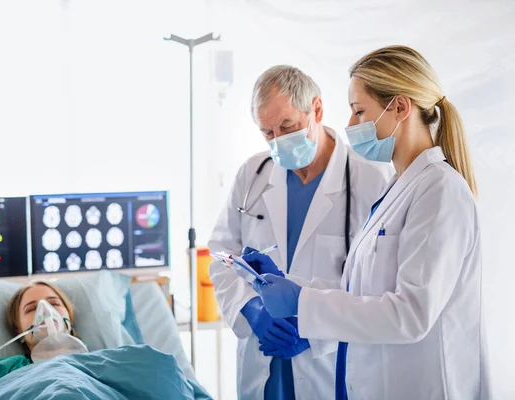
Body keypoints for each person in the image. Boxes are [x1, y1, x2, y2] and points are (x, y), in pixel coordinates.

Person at [247, 45, 488, 400]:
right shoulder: (400, 187)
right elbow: (362, 293)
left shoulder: (440, 191)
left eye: (359, 111)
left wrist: (302, 302)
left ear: (401, 108)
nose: (348, 126)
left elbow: (410, 315)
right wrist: (292, 285)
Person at [208, 65, 393, 399]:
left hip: (331, 362)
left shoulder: (371, 180)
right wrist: (251, 310)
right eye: (267, 132)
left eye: (288, 126)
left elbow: (378, 284)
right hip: (263, 357)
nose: (278, 141)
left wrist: (314, 329)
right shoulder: (253, 174)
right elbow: (222, 254)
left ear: (317, 110)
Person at [0, 282, 80, 399]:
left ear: (70, 318)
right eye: (31, 309)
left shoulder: (98, 361)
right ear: (18, 331)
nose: (47, 312)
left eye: (54, 304)